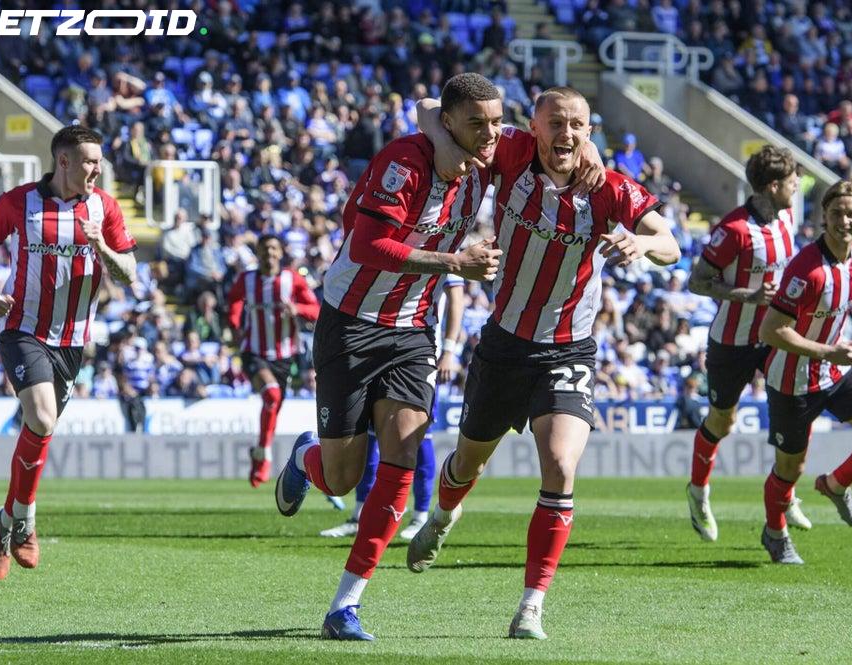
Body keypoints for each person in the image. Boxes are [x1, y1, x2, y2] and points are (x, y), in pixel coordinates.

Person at [272, 74, 601, 642]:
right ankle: (306, 459)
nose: (492, 133)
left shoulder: (499, 152)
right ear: (449, 122)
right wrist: (453, 262)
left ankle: (344, 607)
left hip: (411, 332)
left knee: (402, 458)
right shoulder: (404, 162)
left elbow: (559, 140)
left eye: (497, 122)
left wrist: (590, 149)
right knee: (344, 476)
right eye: (477, 123)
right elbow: (370, 247)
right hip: (350, 323)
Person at [410, 86, 681, 639]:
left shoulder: (608, 189)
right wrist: (450, 148)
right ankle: (441, 516)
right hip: (505, 344)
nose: (566, 134)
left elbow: (671, 242)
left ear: (589, 130)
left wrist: (640, 243)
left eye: (577, 125)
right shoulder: (508, 152)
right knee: (466, 464)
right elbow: (425, 111)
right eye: (555, 123)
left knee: (559, 467)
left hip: (569, 349)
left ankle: (531, 604)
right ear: (532, 126)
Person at [0, 125, 138, 580]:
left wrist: (101, 244)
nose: (96, 169)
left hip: (73, 341)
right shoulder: (18, 201)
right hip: (23, 329)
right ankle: (26, 522)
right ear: (62, 161)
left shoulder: (104, 208)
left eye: (98, 161)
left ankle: (6, 522)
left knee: (38, 429)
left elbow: (128, 273)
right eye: (88, 161)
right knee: (42, 419)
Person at [757, 181, 852, 565]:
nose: (844, 220)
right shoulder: (805, 269)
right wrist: (830, 351)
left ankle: (836, 484)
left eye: (851, 214)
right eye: (836, 213)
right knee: (789, 470)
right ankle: (775, 534)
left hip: (835, 374)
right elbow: (770, 330)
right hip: (792, 381)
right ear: (823, 217)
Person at [685, 145, 811, 542]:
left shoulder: (788, 216)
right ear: (773, 186)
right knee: (724, 421)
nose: (797, 187)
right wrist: (748, 295)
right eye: (792, 182)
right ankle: (698, 492)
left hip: (777, 336)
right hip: (733, 341)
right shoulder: (735, 230)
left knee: (795, 414)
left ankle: (786, 494)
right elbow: (697, 281)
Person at [319, 276, 466, 539]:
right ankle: (361, 513)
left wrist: (449, 350)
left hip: (419, 351)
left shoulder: (446, 239)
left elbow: (455, 296)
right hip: (376, 343)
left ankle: (421, 515)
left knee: (416, 437)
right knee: (370, 438)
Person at [225, 234, 320, 487]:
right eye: (265, 248)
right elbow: (233, 300)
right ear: (258, 252)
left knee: (274, 407)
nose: (270, 253)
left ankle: (259, 451)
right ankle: (265, 459)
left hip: (284, 355)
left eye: (274, 248)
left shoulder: (292, 279)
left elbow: (316, 310)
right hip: (254, 351)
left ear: (281, 253)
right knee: (272, 395)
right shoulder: (247, 279)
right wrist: (235, 325)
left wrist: (298, 310)